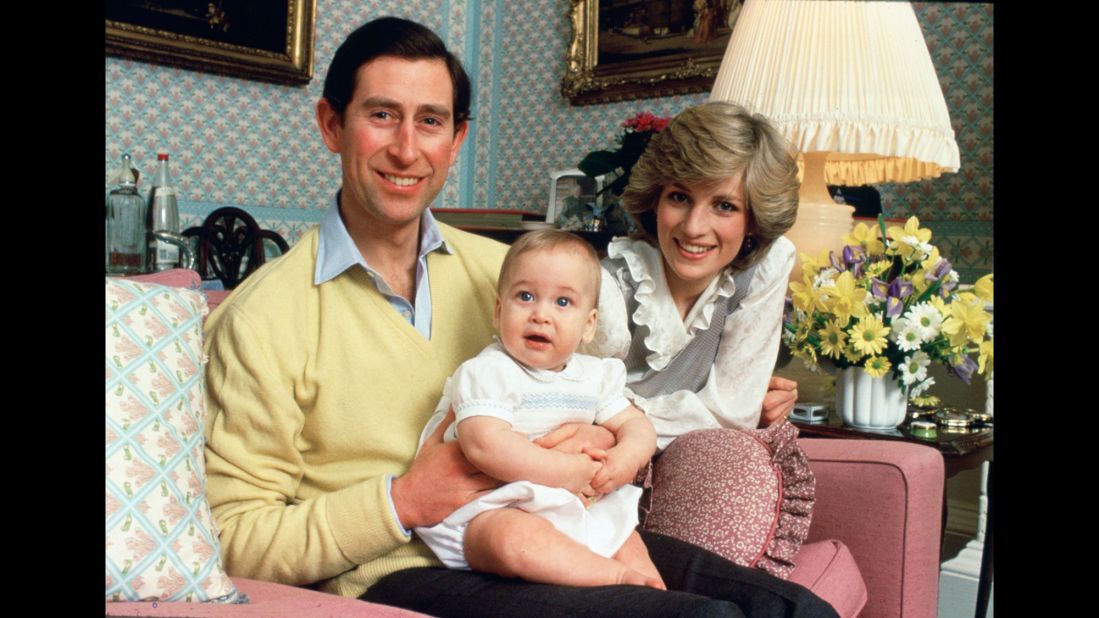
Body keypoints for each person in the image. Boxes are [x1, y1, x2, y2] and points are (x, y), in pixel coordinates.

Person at [203, 15, 836, 618]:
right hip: (402, 570)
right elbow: (233, 538)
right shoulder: (264, 317)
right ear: (331, 125)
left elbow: (596, 393)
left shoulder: (509, 276)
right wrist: (402, 501)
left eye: (430, 122)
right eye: (381, 116)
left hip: (558, 528)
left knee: (797, 610)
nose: (405, 148)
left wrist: (604, 437)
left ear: (457, 140)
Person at [414, 230, 663, 590]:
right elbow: (485, 445)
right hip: (489, 509)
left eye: (563, 302)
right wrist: (566, 471)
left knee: (622, 531)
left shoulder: (594, 376)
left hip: (574, 504)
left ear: (588, 325)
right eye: (526, 297)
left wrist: (626, 457)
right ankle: (616, 578)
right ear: (499, 311)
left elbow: (636, 425)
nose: (541, 315)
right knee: (512, 539)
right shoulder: (489, 372)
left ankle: (656, 593)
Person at [583, 100, 801, 451]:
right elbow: (565, 408)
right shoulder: (607, 286)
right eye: (680, 197)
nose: (694, 227)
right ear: (655, 200)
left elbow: (732, 413)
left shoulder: (763, 271)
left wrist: (621, 424)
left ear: (754, 220)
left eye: (724, 206)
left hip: (689, 456)